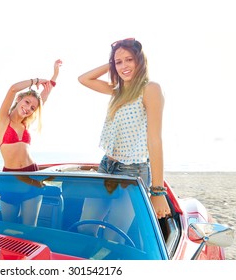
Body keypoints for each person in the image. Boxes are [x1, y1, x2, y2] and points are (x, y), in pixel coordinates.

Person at [78, 38, 170, 236]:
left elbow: (155, 141)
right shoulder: (117, 91)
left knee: (114, 236)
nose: (124, 66)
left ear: (140, 61)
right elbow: (84, 79)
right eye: (118, 62)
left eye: (129, 59)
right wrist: (111, 64)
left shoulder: (150, 89)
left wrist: (158, 191)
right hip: (106, 166)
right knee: (86, 227)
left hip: (132, 172)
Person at [0, 59, 62, 225]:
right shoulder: (3, 120)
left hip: (32, 174)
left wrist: (54, 75)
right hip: (10, 179)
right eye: (27, 102)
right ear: (19, 99)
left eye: (33, 108)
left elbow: (44, 98)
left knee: (29, 228)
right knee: (8, 228)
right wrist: (36, 81)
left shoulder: (26, 123)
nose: (28, 108)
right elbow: (12, 88)